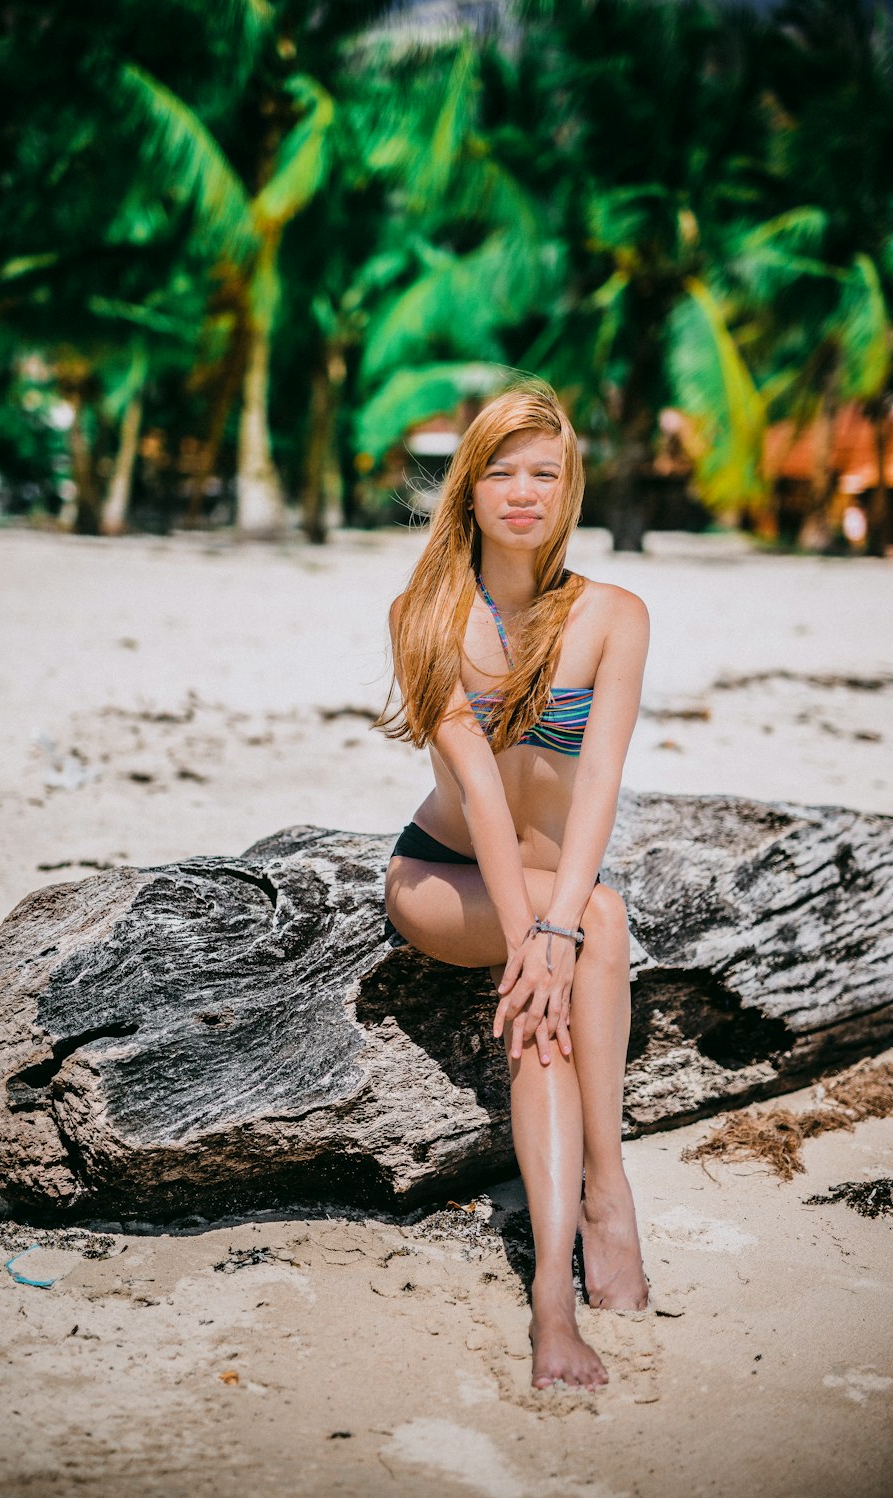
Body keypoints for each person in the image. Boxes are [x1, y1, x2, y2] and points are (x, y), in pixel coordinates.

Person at [378, 379, 650, 1392]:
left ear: (569, 487)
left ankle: (603, 1191)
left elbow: (600, 785)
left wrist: (559, 919)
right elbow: (483, 801)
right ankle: (550, 1297)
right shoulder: (425, 614)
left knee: (595, 917)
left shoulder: (614, 615)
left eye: (544, 472)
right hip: (443, 877)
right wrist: (540, 928)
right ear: (469, 488)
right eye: (500, 471)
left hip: (549, 872)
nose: (522, 491)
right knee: (577, 938)